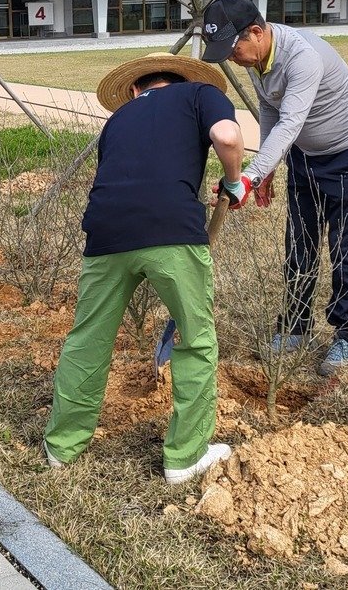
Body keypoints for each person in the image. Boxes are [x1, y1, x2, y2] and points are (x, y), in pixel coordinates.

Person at [45, 53, 247, 485]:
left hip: (105, 232)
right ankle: (184, 456)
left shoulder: (117, 121)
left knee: (89, 338)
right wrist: (234, 181)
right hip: (172, 229)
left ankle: (62, 447)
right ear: (179, 81)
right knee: (195, 339)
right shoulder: (200, 94)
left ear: (136, 90)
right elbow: (227, 137)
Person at [200, 0, 348, 376]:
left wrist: (249, 177)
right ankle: (296, 326)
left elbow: (290, 122)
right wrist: (266, 169)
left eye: (233, 49)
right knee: (299, 243)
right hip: (304, 155)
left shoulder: (303, 57)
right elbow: (269, 107)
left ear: (256, 31)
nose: (233, 58)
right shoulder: (256, 57)